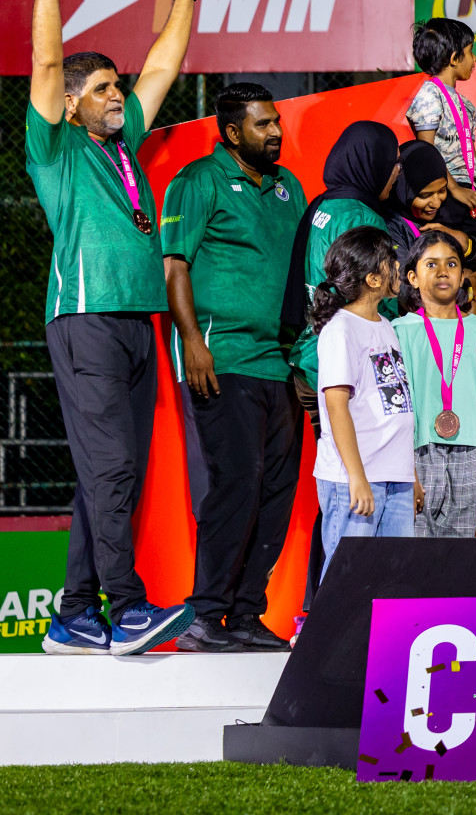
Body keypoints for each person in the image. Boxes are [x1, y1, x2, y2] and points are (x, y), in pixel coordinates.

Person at [26, 0, 201, 656]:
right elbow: (42, 64)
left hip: (139, 321)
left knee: (108, 470)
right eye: (101, 88)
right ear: (70, 104)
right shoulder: (55, 149)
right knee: (114, 465)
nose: (116, 94)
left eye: (115, 86)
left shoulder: (125, 138)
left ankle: (70, 614)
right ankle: (123, 606)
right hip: (87, 318)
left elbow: (163, 64)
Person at [161, 82, 307, 652]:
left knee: (277, 491)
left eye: (276, 122)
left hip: (281, 365)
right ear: (231, 132)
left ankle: (246, 615)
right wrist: (192, 341)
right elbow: (175, 268)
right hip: (223, 362)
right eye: (263, 124)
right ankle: (205, 615)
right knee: (235, 484)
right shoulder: (197, 181)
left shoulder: (288, 187)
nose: (275, 132)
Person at [280, 119, 400, 633]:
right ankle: (324, 618)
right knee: (350, 494)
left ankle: (321, 611)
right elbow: (366, 296)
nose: (395, 174)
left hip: (309, 358)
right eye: (393, 163)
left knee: (340, 491)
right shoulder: (358, 214)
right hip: (337, 368)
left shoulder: (321, 205)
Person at [309, 227, 415, 583]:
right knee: (347, 577)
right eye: (390, 262)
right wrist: (356, 477)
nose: (398, 267)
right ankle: (328, 640)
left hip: (394, 476)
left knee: (393, 576)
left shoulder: (385, 325)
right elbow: (336, 407)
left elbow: (395, 406)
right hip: (356, 478)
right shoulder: (340, 330)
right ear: (373, 278)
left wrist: (409, 473)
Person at [392, 231, 476, 537]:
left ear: (463, 277)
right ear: (413, 277)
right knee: (414, 551)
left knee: (458, 558)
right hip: (417, 453)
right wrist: (406, 475)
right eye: (431, 264)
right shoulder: (398, 331)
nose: (443, 271)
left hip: (471, 452)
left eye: (452, 263)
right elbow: (394, 414)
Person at [406, 17, 476, 235]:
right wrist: (454, 189)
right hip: (445, 191)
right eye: (471, 51)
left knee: (471, 257)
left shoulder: (467, 106)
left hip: (468, 193)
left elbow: (471, 155)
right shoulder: (429, 95)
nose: (475, 59)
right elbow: (426, 152)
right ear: (455, 58)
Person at [385, 140, 476, 310]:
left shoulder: (449, 210)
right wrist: (468, 289)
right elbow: (406, 292)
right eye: (425, 195)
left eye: (442, 190)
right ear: (403, 190)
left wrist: (465, 243)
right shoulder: (391, 226)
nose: (436, 203)